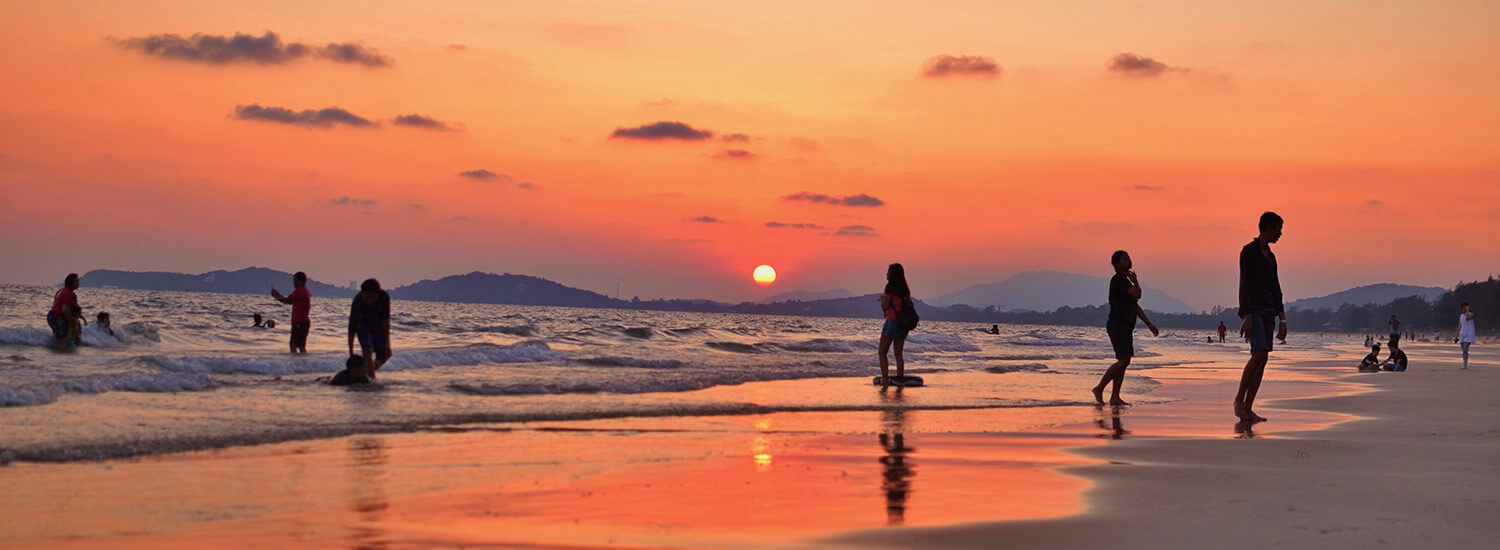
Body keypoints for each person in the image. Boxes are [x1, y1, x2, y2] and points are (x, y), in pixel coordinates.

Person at [1091, 250, 1160, 406]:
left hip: (1125, 326)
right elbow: (1137, 294)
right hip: (1118, 324)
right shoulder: (1119, 280)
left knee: (1123, 361)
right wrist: (1136, 281)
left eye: (1128, 257)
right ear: (1117, 264)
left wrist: (1149, 324)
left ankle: (1115, 397)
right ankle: (1099, 388)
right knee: (1123, 361)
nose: (1128, 260)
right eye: (1124, 258)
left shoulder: (1124, 281)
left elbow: (1135, 306)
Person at [1235, 212, 1285, 422]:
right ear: (1268, 228)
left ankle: (1248, 406)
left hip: (1268, 311)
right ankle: (1238, 401)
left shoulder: (1271, 256)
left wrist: (1282, 318)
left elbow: (1276, 287)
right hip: (1253, 310)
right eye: (1278, 229)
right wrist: (1247, 314)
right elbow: (1245, 284)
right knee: (1258, 354)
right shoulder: (1249, 252)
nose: (1280, 234)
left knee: (1263, 358)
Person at [348, 278, 392, 382]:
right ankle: (371, 381)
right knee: (367, 351)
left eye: (372, 298)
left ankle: (367, 371)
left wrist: (387, 343)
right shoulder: (357, 301)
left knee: (386, 354)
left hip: (378, 325)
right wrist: (351, 353)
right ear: (362, 293)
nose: (369, 301)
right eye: (366, 298)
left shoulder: (384, 297)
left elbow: (386, 321)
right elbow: (351, 329)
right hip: (362, 326)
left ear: (377, 294)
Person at [877, 263, 912, 389]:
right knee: (898, 353)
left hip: (892, 322)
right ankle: (900, 378)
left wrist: (881, 300)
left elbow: (885, 305)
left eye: (888, 271)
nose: (886, 274)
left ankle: (885, 380)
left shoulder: (890, 287)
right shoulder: (905, 289)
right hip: (903, 324)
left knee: (882, 352)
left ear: (893, 274)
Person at [271, 272, 312, 354]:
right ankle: (303, 362)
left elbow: (286, 300)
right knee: (301, 346)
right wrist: (278, 295)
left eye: (295, 280)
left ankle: (294, 364)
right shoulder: (305, 291)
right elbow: (290, 301)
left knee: (293, 345)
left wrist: (275, 296)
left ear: (300, 280)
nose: (294, 283)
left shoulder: (299, 291)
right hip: (303, 323)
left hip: (299, 323)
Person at [47, 273, 85, 349]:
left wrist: (78, 319)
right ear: (71, 283)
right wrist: (71, 321)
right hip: (56, 317)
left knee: (73, 334)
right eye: (76, 281)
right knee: (64, 340)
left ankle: (68, 356)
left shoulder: (65, 292)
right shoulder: (68, 293)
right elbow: (65, 310)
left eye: (78, 281)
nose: (78, 283)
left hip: (54, 316)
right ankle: (62, 357)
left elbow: (75, 308)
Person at [1458, 302, 1476, 369]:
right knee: (1463, 350)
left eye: (1465, 307)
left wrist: (1468, 311)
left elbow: (1467, 318)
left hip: (1469, 334)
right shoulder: (1461, 316)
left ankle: (1465, 364)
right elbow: (1460, 325)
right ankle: (1465, 358)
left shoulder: (1472, 314)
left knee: (1465, 349)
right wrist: (1456, 335)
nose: (1463, 308)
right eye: (1462, 307)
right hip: (1462, 334)